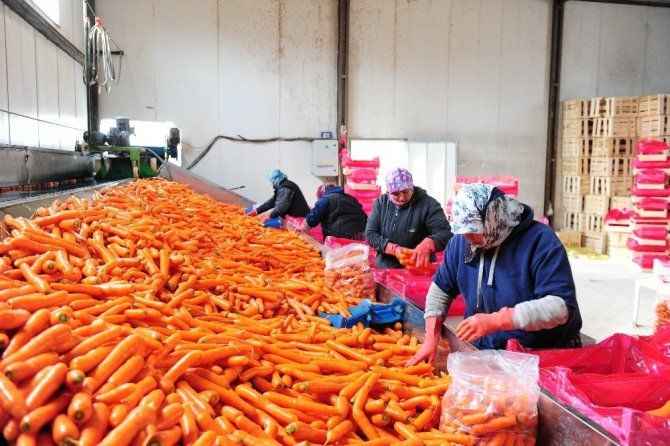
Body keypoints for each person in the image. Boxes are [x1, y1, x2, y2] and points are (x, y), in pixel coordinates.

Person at [407, 184, 583, 364]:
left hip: (540, 356)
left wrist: (497, 321)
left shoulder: (540, 242)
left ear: (495, 220)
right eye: (463, 232)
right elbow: (441, 290)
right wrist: (431, 336)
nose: (467, 238)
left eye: (473, 231)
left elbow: (559, 308)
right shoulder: (462, 242)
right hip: (487, 352)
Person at [365, 168, 452, 269]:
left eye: (406, 192)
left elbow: (445, 234)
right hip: (386, 268)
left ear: (412, 188)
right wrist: (393, 249)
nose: (402, 198)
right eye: (396, 194)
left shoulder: (428, 205)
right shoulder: (381, 203)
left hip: (419, 268)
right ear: (388, 192)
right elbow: (370, 234)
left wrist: (429, 243)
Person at [301, 183, 368, 240]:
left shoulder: (326, 199)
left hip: (338, 238)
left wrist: (302, 230)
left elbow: (312, 218)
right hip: (359, 236)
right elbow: (364, 217)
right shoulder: (351, 199)